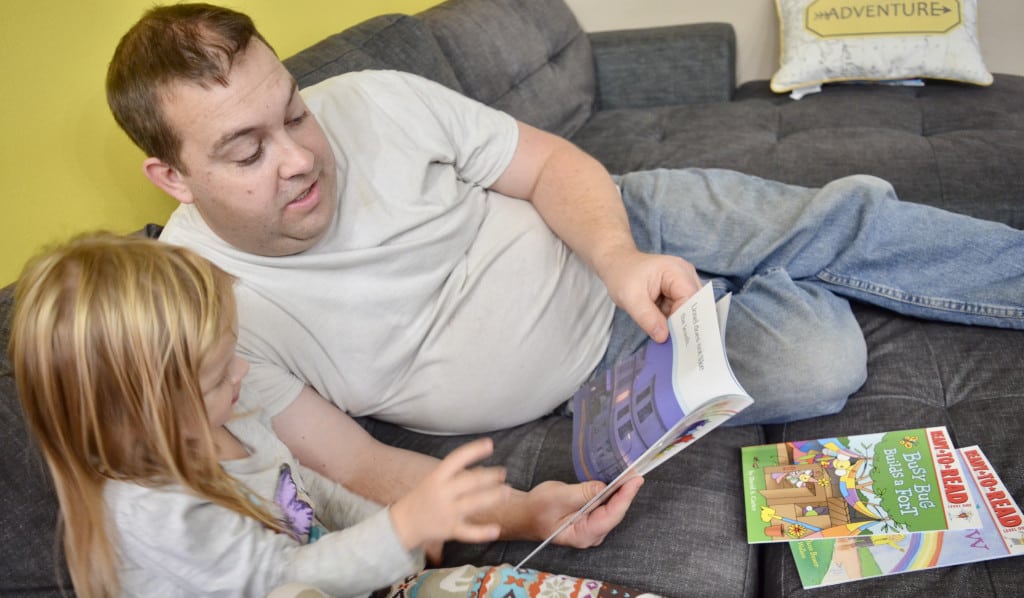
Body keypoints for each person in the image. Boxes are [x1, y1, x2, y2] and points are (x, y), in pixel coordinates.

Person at [104, 3, 1024, 591]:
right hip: (605, 381)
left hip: (617, 226)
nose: (301, 156)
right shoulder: (209, 312)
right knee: (824, 362)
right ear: (171, 176)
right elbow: (362, 470)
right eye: (246, 149)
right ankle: (744, 280)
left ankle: (795, 256)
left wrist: (622, 256)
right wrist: (525, 508)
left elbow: (548, 163)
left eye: (293, 111)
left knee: (842, 219)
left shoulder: (372, 98)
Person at [8, 233, 659, 598]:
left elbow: (314, 491)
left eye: (232, 354)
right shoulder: (155, 511)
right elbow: (284, 578)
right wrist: (403, 528)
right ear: (140, 409)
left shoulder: (228, 421)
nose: (241, 375)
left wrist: (401, 530)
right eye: (215, 376)